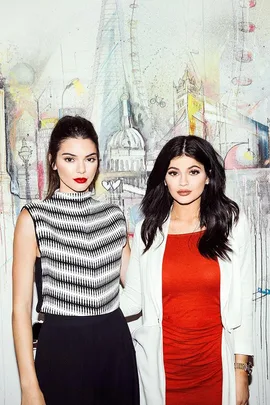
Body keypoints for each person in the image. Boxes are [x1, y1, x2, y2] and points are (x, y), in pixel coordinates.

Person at [12, 115, 139, 405]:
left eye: (90, 159)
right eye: (70, 159)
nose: (82, 169)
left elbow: (136, 286)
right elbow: (20, 310)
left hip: (114, 347)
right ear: (53, 161)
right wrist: (28, 385)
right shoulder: (33, 218)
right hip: (61, 349)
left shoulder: (113, 216)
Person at [120, 135, 254, 405]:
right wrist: (75, 316)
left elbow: (244, 302)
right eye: (174, 172)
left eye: (193, 171)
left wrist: (241, 371)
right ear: (164, 178)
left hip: (216, 367)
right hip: (162, 372)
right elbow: (132, 300)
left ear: (207, 176)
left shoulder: (232, 224)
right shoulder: (150, 231)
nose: (183, 182)